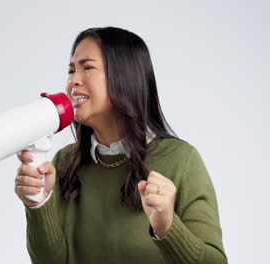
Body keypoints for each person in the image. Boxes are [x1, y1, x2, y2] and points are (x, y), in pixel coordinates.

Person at [14, 27, 227, 264]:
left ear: (123, 77)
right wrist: (37, 203)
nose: (73, 80)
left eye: (87, 67)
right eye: (71, 70)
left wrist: (167, 227)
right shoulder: (65, 162)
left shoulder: (181, 160)